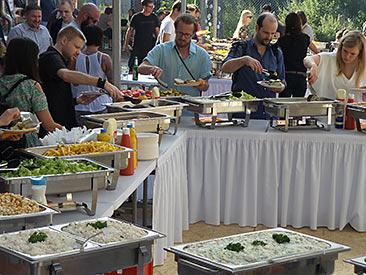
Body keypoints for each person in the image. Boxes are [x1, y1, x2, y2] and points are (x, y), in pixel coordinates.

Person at [38, 26, 122, 137]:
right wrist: (101, 83)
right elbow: (65, 75)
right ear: (64, 41)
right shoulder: (51, 57)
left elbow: (55, 94)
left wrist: (76, 101)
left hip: (63, 123)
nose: (78, 52)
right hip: (55, 129)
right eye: (76, 47)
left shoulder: (60, 59)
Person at [222, 13, 285, 119]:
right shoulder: (241, 47)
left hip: (269, 116)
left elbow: (282, 80)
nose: (269, 37)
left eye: (272, 34)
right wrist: (244, 60)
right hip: (243, 115)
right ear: (257, 28)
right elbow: (225, 68)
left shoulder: (276, 53)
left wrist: (280, 88)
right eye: (266, 33)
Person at [0, 37, 62, 147]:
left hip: (3, 140)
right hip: (25, 143)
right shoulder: (32, 86)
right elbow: (49, 126)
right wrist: (73, 133)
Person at [138, 13, 211, 96]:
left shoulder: (202, 55)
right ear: (175, 30)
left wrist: (203, 85)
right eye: (180, 33)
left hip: (191, 106)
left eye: (187, 35)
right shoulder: (162, 49)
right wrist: (151, 69)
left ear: (193, 34)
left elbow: (206, 84)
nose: (183, 38)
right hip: (166, 105)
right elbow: (141, 68)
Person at [304, 30, 366, 100]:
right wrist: (313, 66)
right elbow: (307, 59)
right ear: (341, 47)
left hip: (356, 109)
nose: (347, 56)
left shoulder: (364, 67)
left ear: (360, 53)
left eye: (352, 54)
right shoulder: (330, 58)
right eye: (345, 51)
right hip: (327, 108)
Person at [71, 25, 113, 125]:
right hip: (101, 103)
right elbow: (111, 82)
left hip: (81, 104)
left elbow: (74, 83)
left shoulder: (75, 58)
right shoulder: (104, 58)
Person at [276, 13, 309, 98]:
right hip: (301, 76)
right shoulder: (305, 38)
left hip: (287, 75)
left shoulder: (282, 41)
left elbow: (277, 56)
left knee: (283, 104)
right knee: (298, 107)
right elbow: (316, 51)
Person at [125, 0, 160, 71]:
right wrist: (126, 44)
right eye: (150, 6)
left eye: (152, 7)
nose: (151, 8)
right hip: (137, 45)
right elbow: (129, 31)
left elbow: (157, 32)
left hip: (150, 45)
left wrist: (158, 44)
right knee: (133, 65)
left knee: (148, 66)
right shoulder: (136, 17)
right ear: (144, 6)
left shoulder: (154, 17)